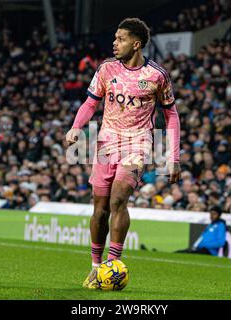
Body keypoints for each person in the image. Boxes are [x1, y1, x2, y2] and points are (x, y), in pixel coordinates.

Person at [65, 18, 181, 289]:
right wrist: (75, 127)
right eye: (115, 38)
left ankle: (112, 264)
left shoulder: (156, 75)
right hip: (106, 143)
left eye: (120, 39)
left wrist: (173, 156)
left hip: (138, 143)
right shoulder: (106, 68)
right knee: (100, 209)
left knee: (118, 199)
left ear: (136, 44)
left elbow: (171, 115)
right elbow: (90, 102)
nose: (114, 43)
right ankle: (95, 267)